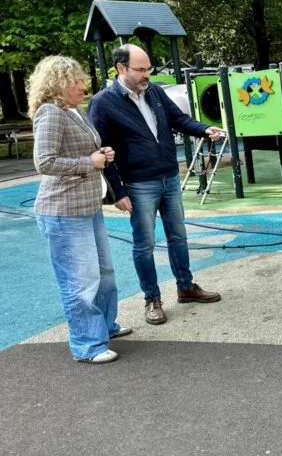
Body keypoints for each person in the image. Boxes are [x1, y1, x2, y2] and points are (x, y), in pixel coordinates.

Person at [88, 44, 224, 326]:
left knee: (178, 236)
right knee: (144, 244)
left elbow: (178, 119)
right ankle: (152, 298)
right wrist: (118, 191)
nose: (146, 74)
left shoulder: (155, 92)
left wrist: (204, 130)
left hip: (169, 177)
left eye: (148, 68)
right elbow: (102, 149)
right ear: (121, 69)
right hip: (138, 184)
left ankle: (185, 287)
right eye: (140, 69)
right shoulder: (103, 103)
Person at [30, 55, 131, 364]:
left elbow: (80, 151)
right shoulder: (50, 113)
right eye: (75, 81)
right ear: (57, 85)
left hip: (87, 207)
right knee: (80, 280)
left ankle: (105, 326)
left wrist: (101, 153)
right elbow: (44, 161)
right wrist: (90, 162)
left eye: (81, 80)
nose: (82, 85)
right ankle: (88, 345)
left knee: (105, 274)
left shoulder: (75, 112)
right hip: (63, 211)